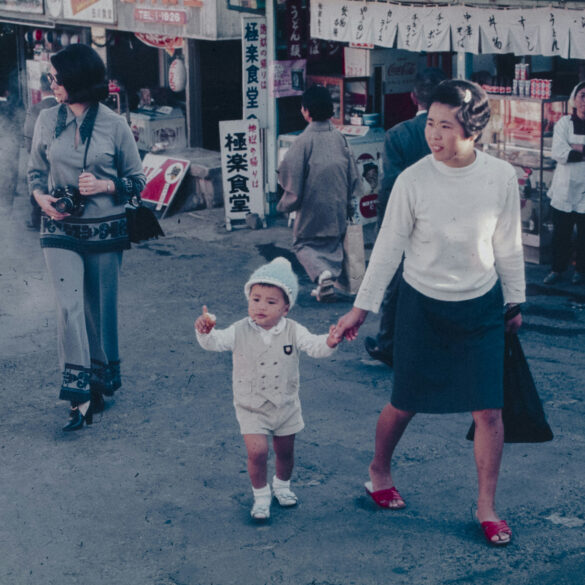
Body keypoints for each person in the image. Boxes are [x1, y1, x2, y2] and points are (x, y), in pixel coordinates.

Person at [334, 80, 525, 546]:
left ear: (473, 129)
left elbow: (508, 242)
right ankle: (379, 472)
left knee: (489, 411)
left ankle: (487, 507)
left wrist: (514, 299)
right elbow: (387, 250)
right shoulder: (414, 180)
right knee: (405, 402)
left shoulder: (499, 177)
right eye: (430, 125)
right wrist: (362, 309)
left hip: (480, 305)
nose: (433, 136)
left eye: (445, 126)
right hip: (422, 304)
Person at [28, 44, 146, 431]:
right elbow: (33, 172)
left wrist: (103, 184)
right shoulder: (47, 119)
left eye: (56, 78)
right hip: (58, 228)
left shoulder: (114, 124)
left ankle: (99, 381)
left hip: (105, 230)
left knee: (100, 311)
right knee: (69, 308)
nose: (51, 83)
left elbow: (137, 183)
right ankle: (79, 395)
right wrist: (41, 199)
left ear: (76, 81)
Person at [194, 257, 341, 520]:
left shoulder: (294, 331)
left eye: (271, 302)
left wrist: (329, 341)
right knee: (257, 451)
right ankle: (261, 494)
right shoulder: (239, 330)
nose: (261, 306)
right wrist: (205, 332)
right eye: (256, 299)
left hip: (285, 405)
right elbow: (215, 342)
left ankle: (282, 485)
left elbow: (315, 346)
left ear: (286, 308)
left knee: (285, 452)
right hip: (251, 405)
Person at [364, 68, 447, 367]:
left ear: (413, 97)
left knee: (398, 283)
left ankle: (389, 344)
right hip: (446, 219)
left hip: (407, 219)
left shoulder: (398, 134)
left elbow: (391, 183)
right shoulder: (455, 134)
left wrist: (385, 225)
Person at [277, 85, 362, 302]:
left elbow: (289, 174)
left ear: (306, 111)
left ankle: (322, 274)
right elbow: (353, 173)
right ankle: (328, 282)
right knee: (332, 243)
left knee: (302, 243)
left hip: (312, 205)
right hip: (337, 203)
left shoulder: (303, 141)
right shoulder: (339, 138)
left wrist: (286, 204)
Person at [543, 81, 585, 285]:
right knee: (561, 235)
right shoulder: (563, 124)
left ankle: (581, 271)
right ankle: (557, 269)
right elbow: (559, 153)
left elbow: (569, 152)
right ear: (574, 99)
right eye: (583, 95)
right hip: (564, 189)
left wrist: (575, 149)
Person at [23, 73, 58, 230]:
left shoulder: (35, 109)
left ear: (41, 89)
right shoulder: (65, 107)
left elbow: (28, 135)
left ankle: (37, 219)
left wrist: (32, 152)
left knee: (39, 184)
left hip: (40, 154)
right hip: (60, 157)